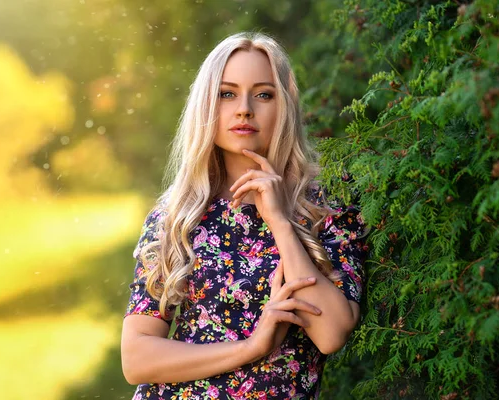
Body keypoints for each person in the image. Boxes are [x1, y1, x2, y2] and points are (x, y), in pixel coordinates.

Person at [121, 32, 367, 400]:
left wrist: (280, 221)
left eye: (264, 94)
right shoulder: (177, 213)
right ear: (207, 105)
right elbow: (137, 357)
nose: (244, 109)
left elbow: (331, 333)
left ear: (284, 104)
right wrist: (251, 348)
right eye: (227, 93)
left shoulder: (327, 202)